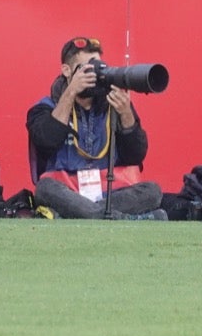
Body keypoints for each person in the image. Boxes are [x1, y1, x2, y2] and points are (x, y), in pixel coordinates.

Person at [27, 36, 165, 220]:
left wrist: (126, 114)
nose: (95, 75)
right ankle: (120, 219)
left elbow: (135, 155)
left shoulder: (113, 103)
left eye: (99, 68)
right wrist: (70, 93)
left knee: (153, 191)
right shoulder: (46, 107)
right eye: (87, 69)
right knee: (45, 189)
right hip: (68, 189)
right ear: (66, 70)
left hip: (110, 190)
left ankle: (87, 216)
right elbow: (46, 141)